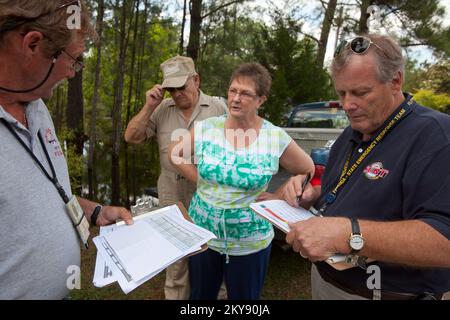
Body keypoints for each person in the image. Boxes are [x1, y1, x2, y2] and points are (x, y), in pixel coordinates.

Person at [279, 34, 450, 300]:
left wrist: (349, 234)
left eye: (361, 92)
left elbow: (444, 241)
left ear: (395, 81)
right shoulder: (351, 133)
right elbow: (346, 192)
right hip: (326, 282)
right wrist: (313, 195)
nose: (348, 105)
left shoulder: (436, 136)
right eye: (342, 93)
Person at [0, 0, 133, 300]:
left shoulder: (36, 104)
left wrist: (96, 212)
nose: (73, 72)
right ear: (32, 44)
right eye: (74, 60)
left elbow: (43, 191)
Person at [169, 62, 315, 300]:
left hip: (250, 242)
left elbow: (307, 168)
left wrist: (279, 196)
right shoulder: (207, 128)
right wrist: (200, 181)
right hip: (204, 237)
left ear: (261, 100)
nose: (235, 99)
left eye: (245, 94)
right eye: (232, 91)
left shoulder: (273, 136)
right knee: (200, 298)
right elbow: (175, 153)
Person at [124, 55, 228, 300]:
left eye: (182, 86)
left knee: (213, 254)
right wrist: (149, 105)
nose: (177, 93)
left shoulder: (218, 108)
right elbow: (131, 137)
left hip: (210, 197)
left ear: (196, 80)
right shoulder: (161, 109)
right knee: (176, 260)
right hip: (172, 195)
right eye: (171, 89)